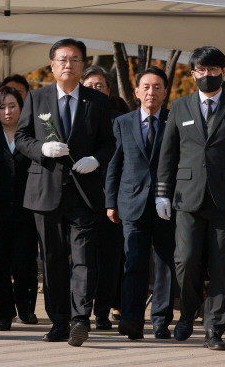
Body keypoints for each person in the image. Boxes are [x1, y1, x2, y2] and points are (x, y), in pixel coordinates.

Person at [156, 46, 225, 351]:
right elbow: (167, 154)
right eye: (200, 70)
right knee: (185, 260)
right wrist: (162, 193)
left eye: (213, 70)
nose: (207, 75)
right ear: (192, 74)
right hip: (188, 197)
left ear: (224, 72)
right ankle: (188, 312)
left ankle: (214, 328)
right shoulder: (180, 107)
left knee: (223, 267)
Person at [15, 38, 115, 346]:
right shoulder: (37, 97)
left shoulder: (96, 101)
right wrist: (42, 148)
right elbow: (21, 137)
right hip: (46, 190)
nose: (67, 65)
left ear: (83, 65)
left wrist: (96, 159)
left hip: (84, 192)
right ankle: (58, 320)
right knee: (54, 259)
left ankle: (80, 319)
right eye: (62, 59)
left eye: (74, 59)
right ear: (52, 65)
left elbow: (109, 142)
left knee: (84, 257)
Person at [106, 66, 176, 341]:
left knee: (165, 264)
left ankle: (161, 321)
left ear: (165, 91)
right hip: (131, 202)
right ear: (136, 92)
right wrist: (111, 201)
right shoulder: (122, 123)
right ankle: (132, 319)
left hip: (166, 204)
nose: (151, 92)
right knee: (133, 262)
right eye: (146, 86)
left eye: (157, 86)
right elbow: (115, 164)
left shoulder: (175, 121)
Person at [0, 86, 38, 331]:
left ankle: (24, 306)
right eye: (1, 107)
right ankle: (3, 312)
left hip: (28, 209)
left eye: (12, 106)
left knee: (24, 262)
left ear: (22, 109)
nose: (7, 112)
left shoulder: (32, 135)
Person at [81, 64, 125, 329]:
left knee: (110, 259)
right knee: (84, 259)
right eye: (89, 86)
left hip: (112, 199)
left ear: (108, 92)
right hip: (81, 197)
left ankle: (103, 312)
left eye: (100, 86)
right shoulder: (72, 118)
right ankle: (81, 312)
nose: (95, 90)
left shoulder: (120, 120)